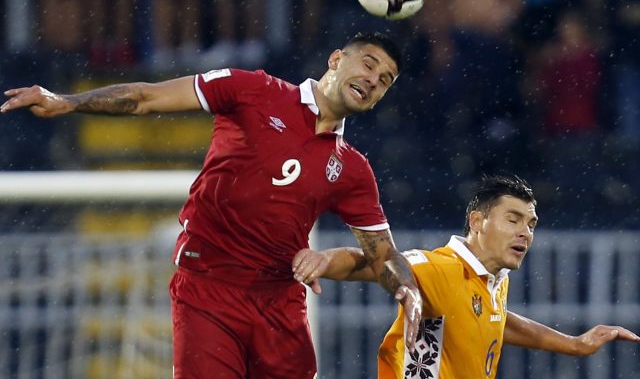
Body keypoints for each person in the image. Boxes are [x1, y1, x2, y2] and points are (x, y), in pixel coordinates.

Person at [1, 32, 422, 379]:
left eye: (385, 80)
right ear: (335, 59)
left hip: (279, 306)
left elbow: (383, 259)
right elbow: (147, 98)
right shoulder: (252, 90)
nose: (373, 79)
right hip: (208, 290)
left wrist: (409, 292)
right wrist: (69, 102)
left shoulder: (352, 170)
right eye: (368, 64)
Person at [292, 174, 640, 378]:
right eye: (513, 219)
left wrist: (576, 345)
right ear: (477, 221)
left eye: (531, 224)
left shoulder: (492, 281)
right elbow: (374, 262)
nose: (525, 233)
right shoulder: (440, 269)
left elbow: (497, 321)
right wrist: (324, 260)